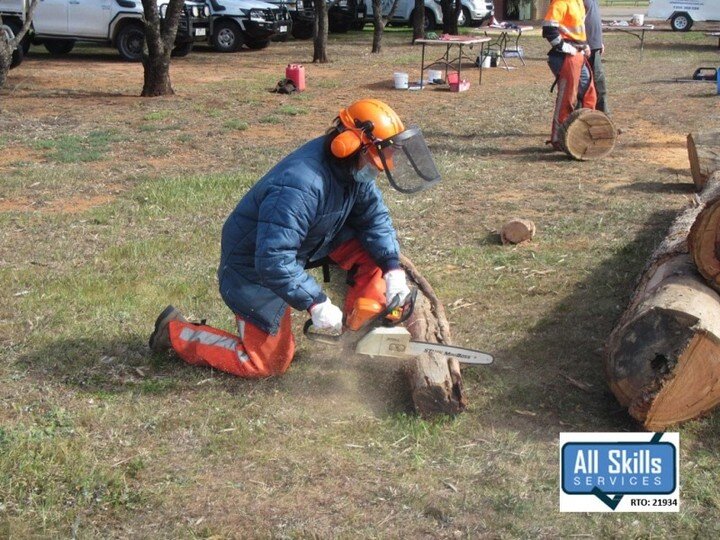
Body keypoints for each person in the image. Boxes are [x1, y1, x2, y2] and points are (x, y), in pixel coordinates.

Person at [148, 99, 441, 378]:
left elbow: (374, 219)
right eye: (375, 159)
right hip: (253, 266)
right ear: (348, 146)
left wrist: (392, 270)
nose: (378, 167)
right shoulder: (300, 185)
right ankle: (176, 333)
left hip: (308, 241)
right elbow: (273, 259)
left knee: (375, 254)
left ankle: (359, 327)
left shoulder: (351, 171)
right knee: (268, 364)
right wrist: (316, 303)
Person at [543, 0, 597, 150]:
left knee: (588, 93)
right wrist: (564, 47)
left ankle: (586, 131)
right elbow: (548, 29)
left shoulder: (578, 1)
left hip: (578, 54)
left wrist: (584, 45)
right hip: (565, 57)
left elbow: (577, 30)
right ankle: (559, 139)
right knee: (567, 98)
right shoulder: (560, 2)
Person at [583, 0, 609, 114]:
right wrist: (583, 43)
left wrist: (600, 41)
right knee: (590, 86)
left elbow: (594, 19)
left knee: (599, 85)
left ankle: (603, 119)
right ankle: (602, 118)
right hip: (586, 48)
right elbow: (576, 22)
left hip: (595, 46)